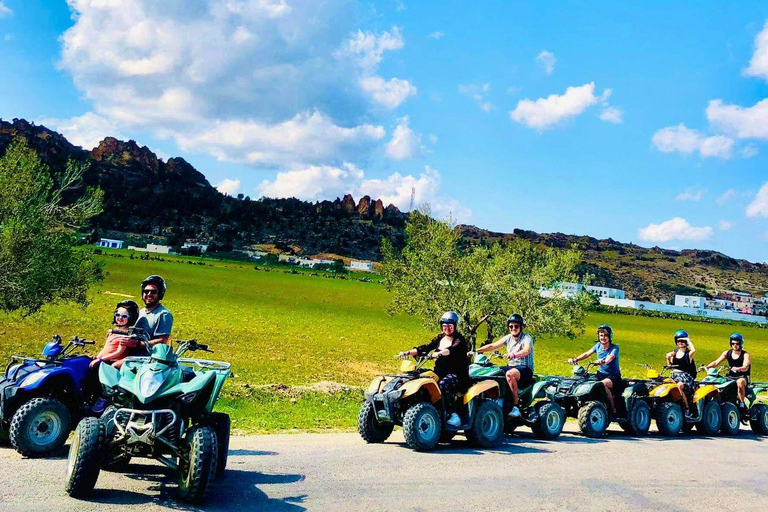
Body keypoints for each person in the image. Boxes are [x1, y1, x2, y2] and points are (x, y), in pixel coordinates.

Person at [398, 311, 470, 427]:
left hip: (456, 374)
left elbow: (451, 350)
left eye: (450, 326)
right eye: (444, 325)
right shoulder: (440, 338)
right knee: (420, 378)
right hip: (439, 372)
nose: (447, 328)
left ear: (455, 326)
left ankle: (454, 414)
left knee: (443, 385)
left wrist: (440, 353)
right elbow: (426, 347)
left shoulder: (459, 340)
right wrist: (408, 352)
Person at [87, 300, 141, 413]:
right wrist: (97, 356)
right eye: (118, 315)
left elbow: (119, 352)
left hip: (112, 361)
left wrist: (101, 359)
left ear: (131, 318)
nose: (120, 318)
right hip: (104, 359)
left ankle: (102, 398)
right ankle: (87, 397)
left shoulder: (126, 334)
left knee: (97, 373)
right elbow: (106, 348)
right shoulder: (114, 331)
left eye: (124, 316)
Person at [476, 313, 533, 418]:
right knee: (492, 372)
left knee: (510, 374)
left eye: (516, 326)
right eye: (511, 326)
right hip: (512, 367)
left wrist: (514, 354)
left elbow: (526, 350)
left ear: (521, 327)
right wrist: (476, 350)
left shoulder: (526, 338)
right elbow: (492, 346)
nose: (513, 328)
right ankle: (497, 400)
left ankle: (516, 406)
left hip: (525, 368)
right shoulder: (508, 338)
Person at [568, 324, 621, 415]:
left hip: (613, 376)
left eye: (605, 335)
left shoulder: (614, 348)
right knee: (584, 381)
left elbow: (611, 357)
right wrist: (576, 359)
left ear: (609, 336)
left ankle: (613, 409)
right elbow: (587, 354)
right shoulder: (597, 346)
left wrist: (603, 361)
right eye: (601, 335)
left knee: (602, 385)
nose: (603, 338)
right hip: (600, 374)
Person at [706, 333, 751, 409]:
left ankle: (741, 404)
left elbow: (746, 366)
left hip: (742, 377)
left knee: (740, 382)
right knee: (716, 382)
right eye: (733, 343)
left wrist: (738, 368)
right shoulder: (727, 353)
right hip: (730, 377)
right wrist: (706, 367)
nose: (735, 345)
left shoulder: (745, 354)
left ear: (741, 344)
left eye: (737, 343)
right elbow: (716, 362)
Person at [134, 275, 174, 350]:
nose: (149, 294)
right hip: (132, 354)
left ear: (160, 294)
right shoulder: (140, 312)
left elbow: (162, 340)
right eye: (146, 291)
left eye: (153, 292)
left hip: (148, 358)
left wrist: (139, 344)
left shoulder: (163, 314)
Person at [665, 329, 697, 419]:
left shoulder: (688, 354)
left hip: (685, 378)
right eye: (679, 341)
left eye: (683, 341)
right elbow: (670, 366)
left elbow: (694, 350)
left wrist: (688, 341)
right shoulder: (674, 353)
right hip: (674, 375)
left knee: (678, 386)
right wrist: (668, 358)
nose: (681, 343)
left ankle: (687, 408)